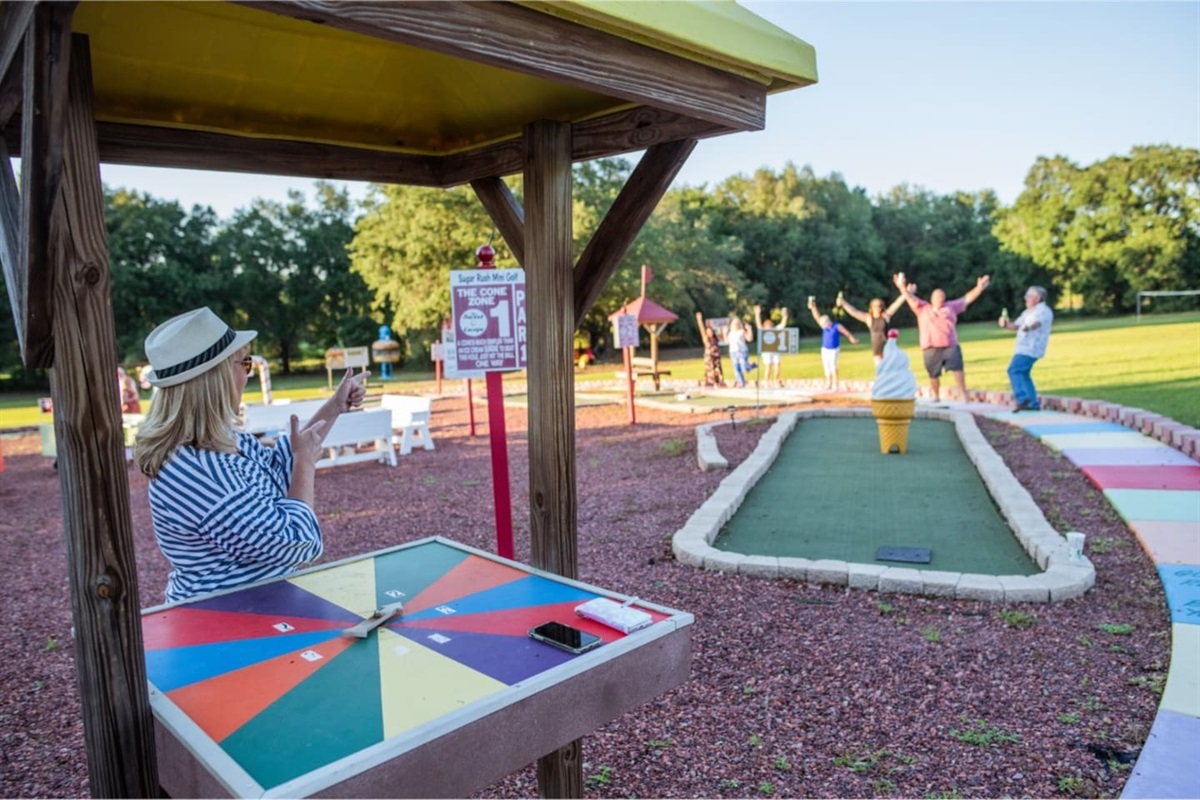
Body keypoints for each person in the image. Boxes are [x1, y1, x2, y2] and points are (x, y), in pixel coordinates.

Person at [134, 307, 368, 603]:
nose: (248, 375)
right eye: (244, 363)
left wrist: (335, 407)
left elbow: (284, 464)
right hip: (225, 622)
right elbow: (297, 543)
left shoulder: (221, 442)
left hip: (255, 607)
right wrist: (306, 465)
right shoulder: (200, 472)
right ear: (216, 379)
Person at [894, 273, 990, 402]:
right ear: (932, 299)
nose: (940, 299)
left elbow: (967, 298)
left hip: (950, 345)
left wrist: (980, 288)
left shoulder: (951, 307)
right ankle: (936, 396)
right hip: (931, 347)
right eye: (937, 297)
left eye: (941, 297)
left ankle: (963, 394)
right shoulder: (923, 308)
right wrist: (901, 287)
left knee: (958, 369)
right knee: (933, 374)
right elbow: (909, 298)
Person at [1000, 285, 1054, 411]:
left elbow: (1037, 323)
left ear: (1037, 298)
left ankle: (1022, 398)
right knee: (1024, 373)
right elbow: (1016, 326)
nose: (1025, 298)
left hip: (1031, 348)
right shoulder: (1027, 312)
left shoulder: (1043, 311)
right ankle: (1032, 403)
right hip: (1023, 348)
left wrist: (1028, 327)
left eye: (1028, 296)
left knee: (1014, 370)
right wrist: (1005, 324)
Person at [838, 292, 908, 365]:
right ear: (871, 307)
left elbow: (896, 305)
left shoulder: (885, 316)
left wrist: (906, 293)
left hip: (887, 347)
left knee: (889, 369)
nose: (877, 308)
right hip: (877, 348)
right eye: (875, 306)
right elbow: (855, 312)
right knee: (879, 370)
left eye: (879, 306)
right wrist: (844, 304)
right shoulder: (869, 319)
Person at [807, 298, 859, 391]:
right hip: (825, 349)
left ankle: (835, 383)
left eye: (824, 324)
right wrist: (813, 308)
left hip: (834, 349)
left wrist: (852, 338)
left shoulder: (836, 326)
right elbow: (817, 317)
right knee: (826, 366)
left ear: (828, 322)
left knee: (833, 365)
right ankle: (828, 383)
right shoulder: (824, 326)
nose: (823, 326)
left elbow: (846, 332)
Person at [754, 304, 789, 387]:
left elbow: (783, 324)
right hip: (767, 351)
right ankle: (766, 381)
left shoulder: (775, 330)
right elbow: (758, 324)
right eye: (767, 324)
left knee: (777, 365)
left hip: (775, 350)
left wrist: (785, 316)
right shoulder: (763, 331)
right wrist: (757, 314)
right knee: (768, 366)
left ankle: (776, 380)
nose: (769, 325)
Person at [694, 310, 725, 388]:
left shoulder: (715, 339)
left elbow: (721, 333)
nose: (709, 333)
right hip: (709, 358)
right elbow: (702, 329)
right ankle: (709, 382)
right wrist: (699, 320)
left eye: (710, 332)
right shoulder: (706, 339)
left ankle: (719, 382)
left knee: (718, 370)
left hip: (716, 357)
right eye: (708, 332)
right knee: (710, 371)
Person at [726, 315, 756, 387]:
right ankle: (741, 384)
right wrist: (724, 334)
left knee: (744, 367)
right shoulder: (730, 333)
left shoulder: (741, 331)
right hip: (733, 352)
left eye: (737, 324)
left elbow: (749, 338)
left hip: (742, 351)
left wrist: (749, 329)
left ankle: (752, 365)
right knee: (737, 369)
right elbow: (727, 342)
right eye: (734, 324)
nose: (735, 325)